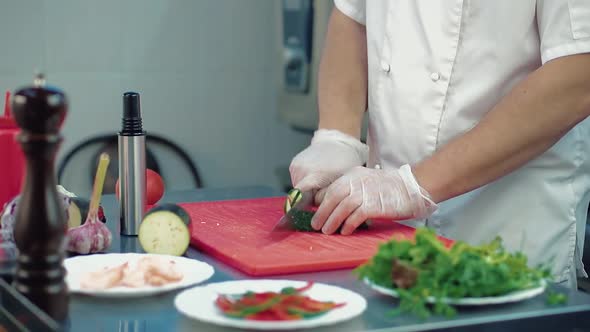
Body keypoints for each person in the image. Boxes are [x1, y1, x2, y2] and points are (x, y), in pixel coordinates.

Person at [289, 0, 590, 288]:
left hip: (505, 230)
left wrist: (412, 185)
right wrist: (337, 135)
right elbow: (353, 15)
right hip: (387, 233)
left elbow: (578, 72)